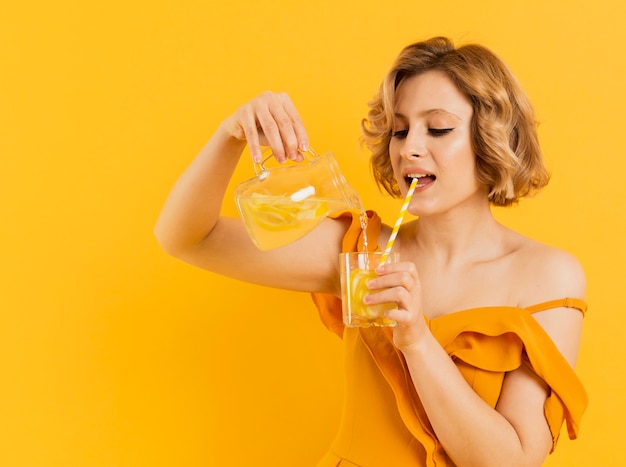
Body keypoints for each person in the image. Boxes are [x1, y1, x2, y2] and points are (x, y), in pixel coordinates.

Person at [154, 36, 587, 466]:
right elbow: (187, 238)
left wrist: (417, 340)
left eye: (438, 128)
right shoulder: (362, 252)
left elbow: (507, 463)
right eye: (400, 130)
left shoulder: (546, 276)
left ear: (491, 139)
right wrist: (231, 136)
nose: (409, 148)